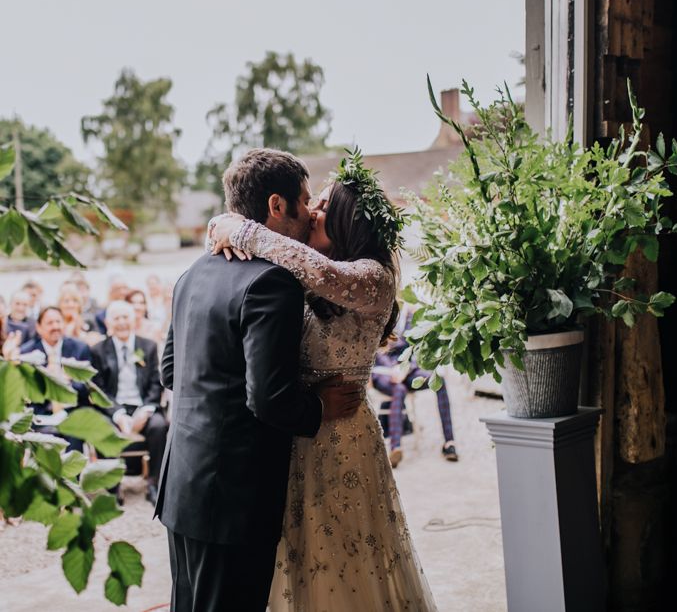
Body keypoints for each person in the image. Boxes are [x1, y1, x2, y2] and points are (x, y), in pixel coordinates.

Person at [209, 149, 438, 611]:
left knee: (349, 560)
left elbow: (323, 272)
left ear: (348, 224)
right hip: (296, 433)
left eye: (324, 207)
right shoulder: (301, 273)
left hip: (343, 436)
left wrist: (238, 226)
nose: (311, 211)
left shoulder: (372, 279)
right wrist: (222, 226)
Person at [155, 148, 363, 612]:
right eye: (305, 200)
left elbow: (170, 371)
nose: (311, 212)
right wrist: (322, 406)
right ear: (276, 205)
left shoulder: (193, 272)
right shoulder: (272, 282)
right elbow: (269, 400)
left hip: (182, 485)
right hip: (233, 497)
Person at [90, 300, 168, 505]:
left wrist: (146, 410)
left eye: (126, 317)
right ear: (108, 323)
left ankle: (153, 482)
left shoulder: (147, 346)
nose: (122, 322)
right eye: (117, 318)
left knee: (160, 426)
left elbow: (155, 382)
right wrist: (118, 415)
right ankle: (112, 485)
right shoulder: (98, 350)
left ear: (133, 320)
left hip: (142, 405)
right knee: (101, 428)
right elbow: (99, 390)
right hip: (113, 407)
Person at [371, 309, 458, 467]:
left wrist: (406, 368)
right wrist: (393, 369)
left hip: (406, 370)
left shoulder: (409, 317)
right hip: (383, 372)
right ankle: (395, 448)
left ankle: (449, 442)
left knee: (438, 380)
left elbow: (416, 348)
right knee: (399, 390)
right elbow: (375, 350)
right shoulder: (377, 311)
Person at [19, 306, 91, 451]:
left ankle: (73, 474)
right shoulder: (27, 352)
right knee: (44, 440)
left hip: (71, 412)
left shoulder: (79, 348)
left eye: (58, 322)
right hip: (40, 414)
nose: (55, 327)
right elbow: (25, 390)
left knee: (75, 434)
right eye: (50, 323)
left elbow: (87, 386)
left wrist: (69, 382)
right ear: (39, 328)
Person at [58, 283, 105, 347]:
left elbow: (95, 343)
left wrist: (79, 331)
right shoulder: (56, 323)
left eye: (75, 301)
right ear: (60, 304)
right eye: (66, 301)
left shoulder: (89, 321)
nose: (71, 305)